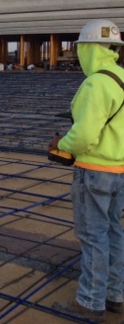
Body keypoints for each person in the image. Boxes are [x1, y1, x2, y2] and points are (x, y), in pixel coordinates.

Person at [49, 19, 124, 322]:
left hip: (94, 172)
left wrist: (61, 143)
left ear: (91, 49)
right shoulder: (121, 78)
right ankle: (115, 295)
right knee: (114, 232)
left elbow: (83, 136)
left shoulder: (95, 83)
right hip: (119, 170)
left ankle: (90, 301)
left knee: (93, 237)